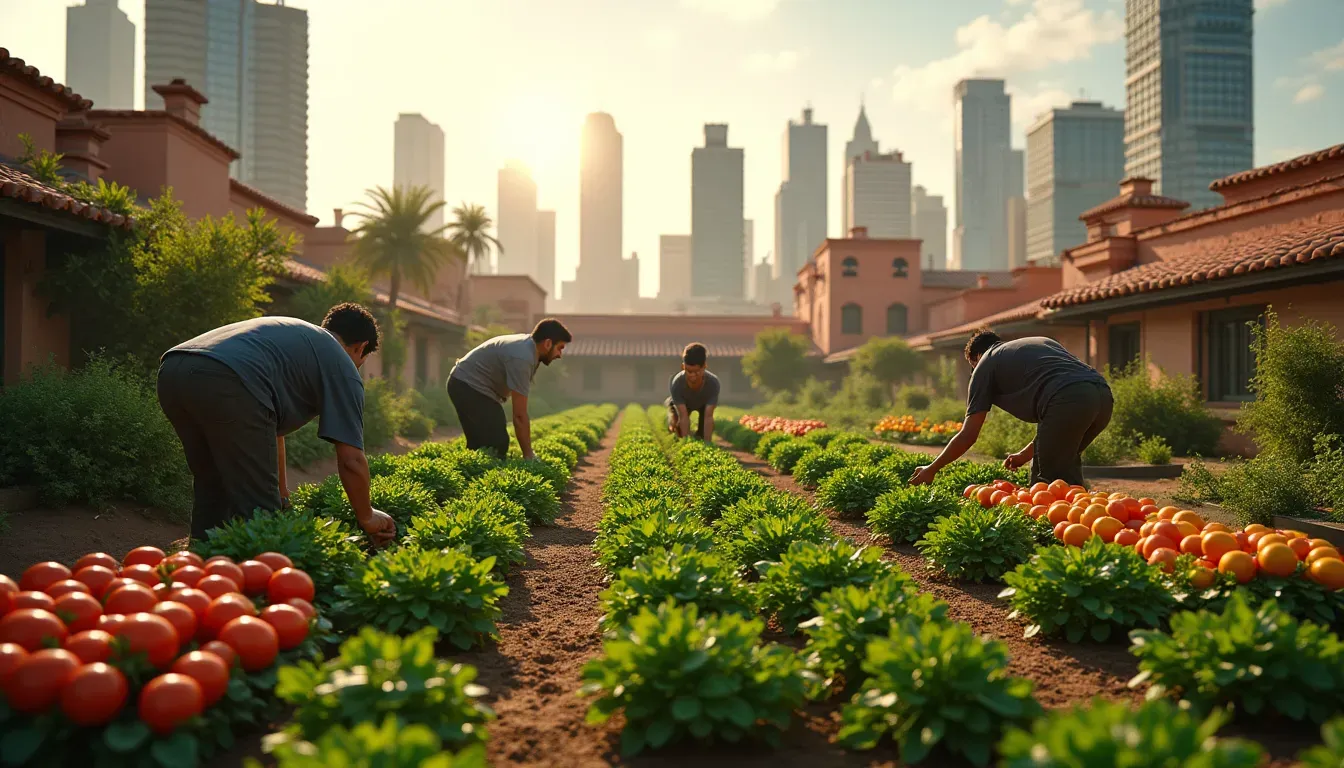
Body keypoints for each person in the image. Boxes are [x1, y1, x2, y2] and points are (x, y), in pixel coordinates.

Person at [157, 303, 397, 546]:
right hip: (227, 380)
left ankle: (199, 562)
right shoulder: (342, 365)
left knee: (213, 482)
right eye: (361, 361)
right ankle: (257, 575)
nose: (356, 368)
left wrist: (282, 492)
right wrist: (367, 515)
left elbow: (270, 430)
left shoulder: (299, 337)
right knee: (260, 512)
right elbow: (351, 460)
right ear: (361, 347)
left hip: (174, 371)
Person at [909, 329, 1113, 488]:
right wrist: (1024, 455)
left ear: (976, 357)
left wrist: (932, 468)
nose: (974, 371)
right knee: (1062, 465)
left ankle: (1056, 536)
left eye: (973, 366)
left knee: (1047, 479)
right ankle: (1088, 524)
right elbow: (1054, 424)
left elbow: (968, 435)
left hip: (1069, 399)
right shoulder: (1039, 343)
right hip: (1102, 397)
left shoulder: (985, 363)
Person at [446, 318, 571, 459]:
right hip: (469, 386)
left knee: (481, 444)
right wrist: (528, 454)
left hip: (462, 383)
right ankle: (486, 476)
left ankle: (470, 474)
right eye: (560, 348)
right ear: (548, 343)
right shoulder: (522, 358)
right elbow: (519, 416)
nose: (560, 355)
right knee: (497, 443)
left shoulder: (528, 348)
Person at [666, 342, 720, 442]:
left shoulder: (713, 383)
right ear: (683, 367)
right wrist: (686, 442)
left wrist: (708, 443)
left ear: (704, 366)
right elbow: (683, 416)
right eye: (689, 371)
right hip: (684, 405)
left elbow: (708, 417)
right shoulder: (677, 383)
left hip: (703, 405)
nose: (692, 376)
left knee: (703, 434)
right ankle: (672, 425)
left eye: (697, 372)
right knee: (679, 430)